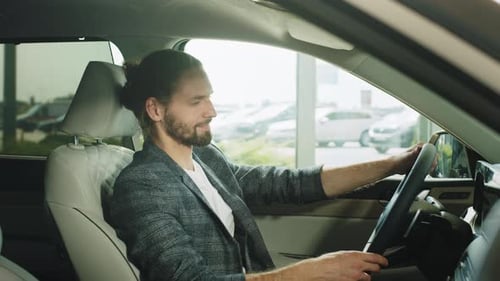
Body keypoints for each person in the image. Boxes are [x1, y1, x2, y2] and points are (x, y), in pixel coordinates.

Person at [109, 49, 423, 281]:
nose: (212, 111)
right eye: (196, 101)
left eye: (209, 97)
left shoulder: (206, 158)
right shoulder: (141, 186)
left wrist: (392, 164)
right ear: (155, 109)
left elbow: (289, 184)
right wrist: (312, 271)